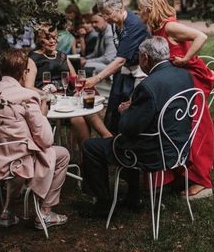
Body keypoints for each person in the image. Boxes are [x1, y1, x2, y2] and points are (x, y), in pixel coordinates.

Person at [81, 37, 194, 217]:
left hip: (153, 153)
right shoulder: (184, 75)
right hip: (179, 147)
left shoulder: (148, 85)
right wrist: (136, 107)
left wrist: (125, 111)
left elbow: (127, 128)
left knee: (91, 146)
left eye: (140, 57)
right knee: (127, 141)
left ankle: (102, 205)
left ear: (145, 58)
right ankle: (133, 197)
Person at [137, 0, 214, 200]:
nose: (138, 12)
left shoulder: (170, 26)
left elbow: (201, 36)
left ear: (149, 9)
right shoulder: (157, 27)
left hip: (189, 80)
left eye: (140, 9)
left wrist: (186, 58)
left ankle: (202, 182)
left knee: (195, 129)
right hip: (177, 81)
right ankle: (178, 173)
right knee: (175, 125)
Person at [0, 49, 69, 229]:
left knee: (17, 153)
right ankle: (45, 213)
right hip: (17, 162)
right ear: (24, 73)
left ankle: (8, 211)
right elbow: (46, 140)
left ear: (0, 70)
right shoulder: (28, 96)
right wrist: (43, 108)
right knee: (63, 154)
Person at [25, 25, 112, 144]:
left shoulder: (62, 55)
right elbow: (28, 86)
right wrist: (46, 94)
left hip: (68, 97)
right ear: (39, 40)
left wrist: (78, 90)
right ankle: (85, 154)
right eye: (47, 38)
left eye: (54, 37)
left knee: (89, 111)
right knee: (78, 119)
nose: (51, 41)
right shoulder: (33, 58)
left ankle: (109, 139)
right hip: (50, 101)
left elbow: (75, 77)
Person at [84, 0, 150, 135]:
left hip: (138, 74)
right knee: (114, 110)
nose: (106, 18)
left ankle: (127, 147)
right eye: (103, 14)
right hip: (124, 72)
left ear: (120, 8)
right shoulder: (115, 23)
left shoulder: (133, 25)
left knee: (128, 113)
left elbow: (120, 60)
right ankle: (112, 145)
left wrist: (96, 78)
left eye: (108, 13)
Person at [80, 7, 117, 75]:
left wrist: (86, 61)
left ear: (105, 19)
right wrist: (84, 58)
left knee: (85, 66)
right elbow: (95, 53)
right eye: (92, 22)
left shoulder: (109, 34)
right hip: (104, 64)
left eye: (96, 22)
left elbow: (107, 59)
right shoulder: (100, 32)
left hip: (112, 66)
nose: (93, 25)